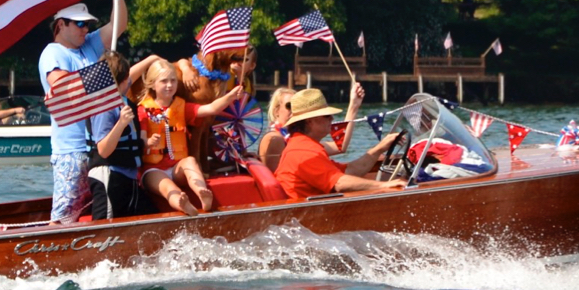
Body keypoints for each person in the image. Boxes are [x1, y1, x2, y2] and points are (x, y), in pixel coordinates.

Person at [40, 0, 128, 224]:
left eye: (87, 23)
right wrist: (108, 80)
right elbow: (62, 87)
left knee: (92, 208)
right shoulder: (52, 53)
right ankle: (52, 256)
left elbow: (118, 26)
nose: (85, 28)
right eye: (79, 24)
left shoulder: (89, 43)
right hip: (72, 149)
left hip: (97, 146)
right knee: (64, 215)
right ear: (60, 25)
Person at [137, 59, 244, 216]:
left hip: (177, 167)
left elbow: (211, 108)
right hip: (153, 169)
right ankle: (182, 203)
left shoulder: (182, 107)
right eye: (164, 81)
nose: (169, 85)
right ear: (152, 84)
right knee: (168, 188)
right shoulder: (142, 110)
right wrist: (149, 142)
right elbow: (140, 141)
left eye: (173, 80)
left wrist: (230, 96)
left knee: (190, 161)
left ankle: (202, 192)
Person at [274, 88, 403, 198]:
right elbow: (339, 184)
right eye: (326, 115)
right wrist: (384, 185)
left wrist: (379, 148)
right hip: (302, 216)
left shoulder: (304, 145)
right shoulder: (303, 151)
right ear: (309, 121)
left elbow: (349, 171)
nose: (332, 118)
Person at [88, 51, 161, 220]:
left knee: (152, 217)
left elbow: (128, 140)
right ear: (121, 82)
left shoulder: (123, 101)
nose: (129, 81)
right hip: (109, 176)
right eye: (127, 78)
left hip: (128, 177)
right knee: (103, 229)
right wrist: (120, 123)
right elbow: (103, 150)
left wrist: (146, 143)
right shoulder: (103, 107)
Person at [257, 81, 366, 172]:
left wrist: (353, 106)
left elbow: (340, 146)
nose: (294, 111)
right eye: (289, 106)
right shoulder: (274, 138)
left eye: (298, 107)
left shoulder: (298, 140)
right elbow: (278, 181)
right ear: (276, 111)